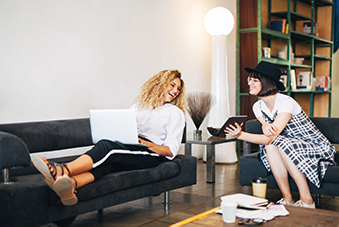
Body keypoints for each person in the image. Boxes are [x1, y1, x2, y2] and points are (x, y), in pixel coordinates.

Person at [31, 69, 187, 206]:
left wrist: (147, 144)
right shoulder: (138, 106)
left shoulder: (175, 113)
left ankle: (62, 170)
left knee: (108, 148)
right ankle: (70, 185)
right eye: (172, 85)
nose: (175, 90)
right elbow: (126, 127)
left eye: (178, 88)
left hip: (150, 153)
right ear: (160, 83)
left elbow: (171, 149)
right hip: (128, 145)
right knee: (107, 165)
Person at [225, 61, 336, 209]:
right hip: (289, 145)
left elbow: (270, 137)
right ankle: (287, 198)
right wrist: (264, 125)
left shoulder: (287, 103)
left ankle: (307, 200)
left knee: (279, 142)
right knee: (272, 146)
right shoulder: (257, 106)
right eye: (249, 80)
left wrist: (240, 135)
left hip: (316, 147)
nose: (249, 83)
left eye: (254, 80)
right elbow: (265, 124)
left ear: (266, 82)